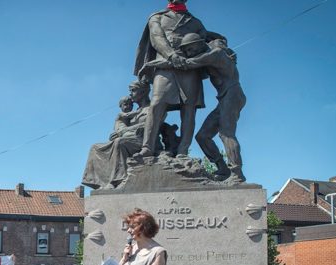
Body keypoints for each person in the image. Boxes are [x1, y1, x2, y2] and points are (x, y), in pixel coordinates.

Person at [133, 0, 207, 158]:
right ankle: (147, 148)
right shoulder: (157, 16)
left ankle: (183, 151)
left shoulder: (195, 22)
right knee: (157, 105)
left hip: (188, 68)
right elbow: (156, 37)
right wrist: (171, 55)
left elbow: (203, 41)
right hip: (165, 65)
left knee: (189, 109)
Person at [177, 33, 247, 182]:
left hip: (232, 94)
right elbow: (222, 39)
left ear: (199, 43)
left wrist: (157, 63)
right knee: (202, 136)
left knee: (226, 134)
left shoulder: (214, 53)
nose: (189, 53)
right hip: (224, 98)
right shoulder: (216, 49)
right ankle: (223, 169)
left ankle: (237, 174)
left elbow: (187, 63)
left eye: (190, 49)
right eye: (187, 51)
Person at [82, 80, 151, 189]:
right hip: (128, 139)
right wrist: (118, 133)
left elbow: (148, 125)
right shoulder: (134, 111)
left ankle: (118, 180)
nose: (130, 94)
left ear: (143, 92)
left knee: (119, 142)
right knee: (95, 147)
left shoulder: (152, 108)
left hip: (143, 141)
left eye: (133, 91)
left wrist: (122, 132)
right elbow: (122, 126)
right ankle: (98, 182)